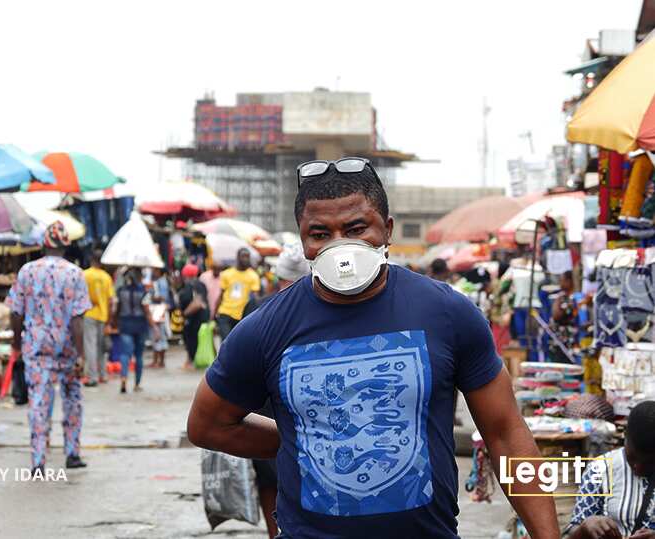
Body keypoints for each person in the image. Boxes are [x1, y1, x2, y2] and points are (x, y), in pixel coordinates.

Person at [187, 157, 558, 538]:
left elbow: (506, 433)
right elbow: (207, 425)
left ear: (388, 230)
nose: (340, 247)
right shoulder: (265, 329)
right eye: (320, 234)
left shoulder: (447, 313)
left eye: (356, 228)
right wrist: (310, 439)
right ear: (303, 242)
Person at [8, 221, 91, 474]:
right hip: (66, 347)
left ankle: (38, 460)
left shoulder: (26, 271)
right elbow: (77, 319)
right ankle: (72, 453)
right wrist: (81, 355)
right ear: (66, 246)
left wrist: (16, 342)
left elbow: (15, 311)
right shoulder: (76, 274)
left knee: (38, 402)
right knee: (72, 400)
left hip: (35, 346)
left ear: (43, 245)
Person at [243, 243, 311, 539]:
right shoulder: (322, 310)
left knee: (269, 476)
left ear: (276, 277)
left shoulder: (258, 308)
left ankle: (275, 533)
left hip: (264, 405)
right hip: (303, 407)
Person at [566, 400, 655, 538]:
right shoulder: (600, 469)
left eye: (649, 463)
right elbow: (572, 534)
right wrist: (585, 527)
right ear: (625, 437)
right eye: (632, 458)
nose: (637, 467)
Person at [112, 267, 157, 393]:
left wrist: (113, 321)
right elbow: (147, 312)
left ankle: (123, 379)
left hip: (125, 324)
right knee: (139, 355)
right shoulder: (144, 292)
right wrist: (154, 328)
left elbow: (117, 309)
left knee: (125, 354)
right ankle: (137, 384)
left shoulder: (121, 291)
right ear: (139, 277)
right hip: (140, 325)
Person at [82, 249, 114, 387]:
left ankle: (92, 377)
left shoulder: (85, 275)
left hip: (89, 314)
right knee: (101, 347)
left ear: (91, 260)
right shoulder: (106, 277)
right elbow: (111, 300)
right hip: (103, 314)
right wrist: (109, 319)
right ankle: (103, 374)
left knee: (90, 346)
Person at [214, 248, 260, 341]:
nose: (246, 259)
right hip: (225, 312)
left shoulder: (253, 276)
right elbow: (221, 294)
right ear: (237, 257)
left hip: (242, 315)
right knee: (226, 341)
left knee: (236, 343)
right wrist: (214, 312)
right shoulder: (226, 274)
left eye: (248, 257)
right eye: (243, 256)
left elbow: (255, 298)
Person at [177, 264, 209, 370]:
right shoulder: (200, 284)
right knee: (191, 338)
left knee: (192, 339)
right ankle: (190, 360)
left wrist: (185, 313)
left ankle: (192, 361)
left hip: (195, 318)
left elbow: (197, 303)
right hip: (198, 317)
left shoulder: (193, 285)